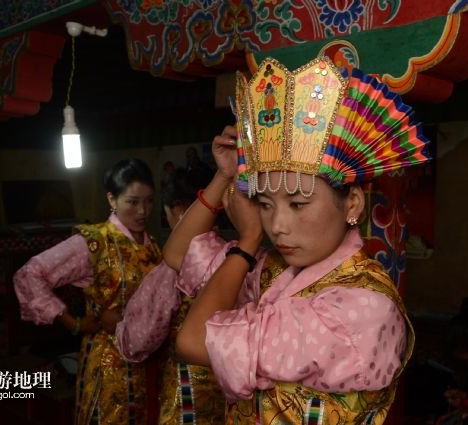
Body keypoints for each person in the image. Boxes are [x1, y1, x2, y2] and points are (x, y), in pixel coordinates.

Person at [163, 56, 431, 424]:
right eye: (265, 204)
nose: (278, 226)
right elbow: (179, 255)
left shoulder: (362, 307)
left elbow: (193, 341)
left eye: (298, 204)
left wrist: (249, 239)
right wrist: (224, 176)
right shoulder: (275, 270)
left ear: (352, 203)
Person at [13, 158, 162, 425]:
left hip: (149, 362)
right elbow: (31, 273)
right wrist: (74, 323)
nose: (143, 211)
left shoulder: (152, 245)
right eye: (132, 202)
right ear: (112, 199)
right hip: (110, 363)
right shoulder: (95, 242)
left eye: (149, 201)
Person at [117, 169, 226, 424]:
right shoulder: (235, 255)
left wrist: (118, 328)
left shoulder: (171, 269)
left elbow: (138, 339)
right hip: (232, 394)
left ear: (177, 210)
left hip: (188, 396)